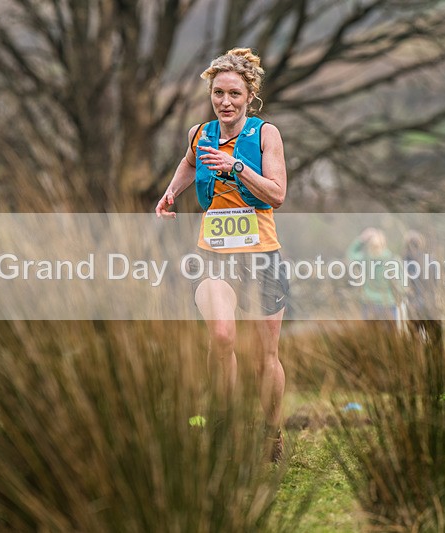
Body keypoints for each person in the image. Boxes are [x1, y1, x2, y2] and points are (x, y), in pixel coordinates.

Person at [155, 48, 289, 462]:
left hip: (262, 256)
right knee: (221, 335)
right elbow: (189, 162)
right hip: (214, 256)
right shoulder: (200, 133)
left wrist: (237, 168)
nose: (225, 102)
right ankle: (223, 425)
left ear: (250, 95)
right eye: (218, 93)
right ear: (210, 93)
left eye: (233, 93)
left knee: (266, 356)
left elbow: (278, 194)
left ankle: (272, 432)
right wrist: (171, 192)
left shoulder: (266, 134)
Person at [346, 227, 404, 323]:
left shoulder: (364, 259)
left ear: (369, 245)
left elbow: (350, 254)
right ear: (384, 243)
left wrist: (362, 238)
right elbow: (401, 284)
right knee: (390, 337)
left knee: (371, 337)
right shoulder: (393, 259)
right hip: (388, 304)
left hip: (369, 305)